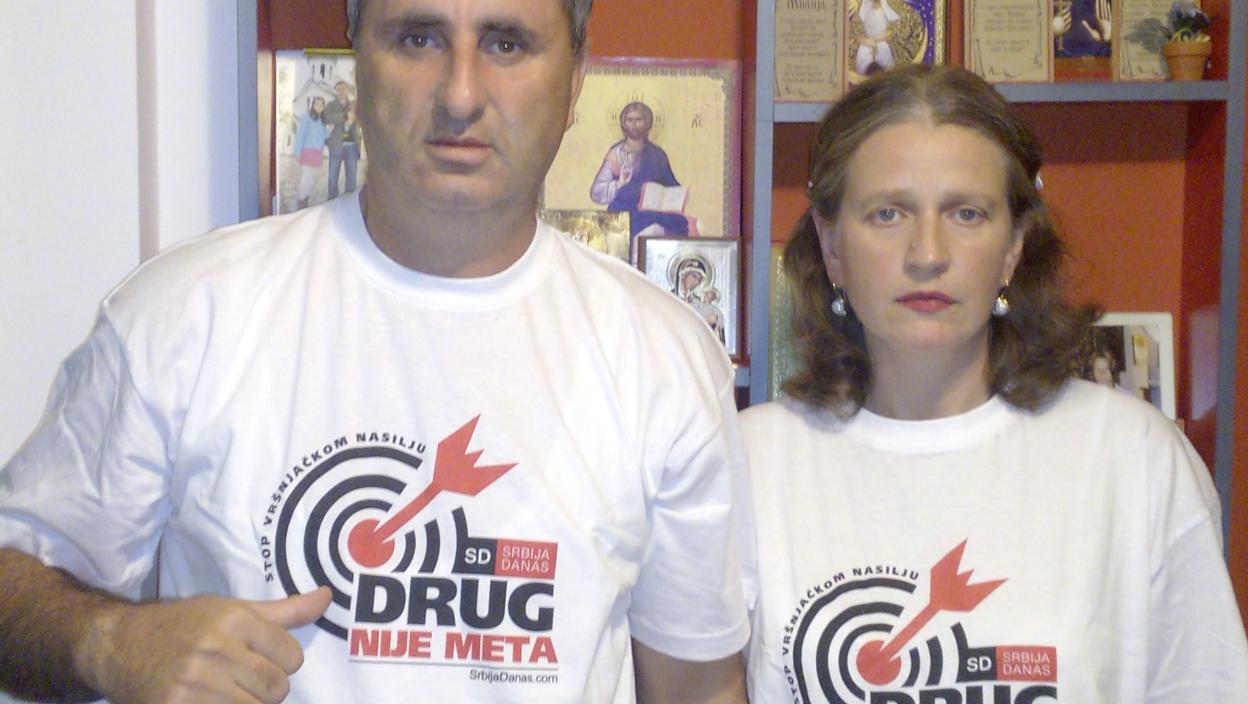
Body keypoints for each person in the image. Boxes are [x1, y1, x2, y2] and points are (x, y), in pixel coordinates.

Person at [0, 1, 751, 702]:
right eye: (418, 39)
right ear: (357, 58)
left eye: (506, 43)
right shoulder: (184, 316)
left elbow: (697, 685)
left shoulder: (664, 359)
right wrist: (111, 641)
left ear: (576, 75)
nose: (461, 94)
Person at [740, 64, 1248, 703]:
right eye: (888, 213)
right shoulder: (751, 460)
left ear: (1013, 247)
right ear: (832, 246)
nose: (928, 253)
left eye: (967, 213)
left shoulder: (1132, 456)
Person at [590, 101, 689, 241]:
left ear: (647, 123)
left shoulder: (657, 154)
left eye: (639, 120)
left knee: (674, 223)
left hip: (654, 211)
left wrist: (675, 195)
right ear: (623, 123)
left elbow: (670, 183)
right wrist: (620, 184)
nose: (634, 125)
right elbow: (597, 191)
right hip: (624, 211)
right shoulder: (616, 154)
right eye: (630, 120)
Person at [322, 80, 362, 199]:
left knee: (352, 177)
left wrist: (353, 119)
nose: (341, 91)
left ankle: (349, 201)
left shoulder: (354, 105)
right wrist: (344, 117)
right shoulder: (330, 105)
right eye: (338, 89)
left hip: (352, 145)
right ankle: (331, 200)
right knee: (333, 176)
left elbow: (360, 120)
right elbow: (327, 118)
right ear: (336, 91)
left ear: (347, 90)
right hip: (336, 145)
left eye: (343, 88)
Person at [293, 96, 328, 209]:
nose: (319, 106)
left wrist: (329, 130)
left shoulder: (322, 120)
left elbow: (323, 137)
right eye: (317, 104)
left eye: (321, 104)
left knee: (311, 177)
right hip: (308, 151)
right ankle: (301, 200)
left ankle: (306, 199)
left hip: (317, 152)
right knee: (306, 177)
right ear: (313, 105)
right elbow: (300, 135)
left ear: (324, 107)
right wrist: (297, 152)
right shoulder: (307, 117)